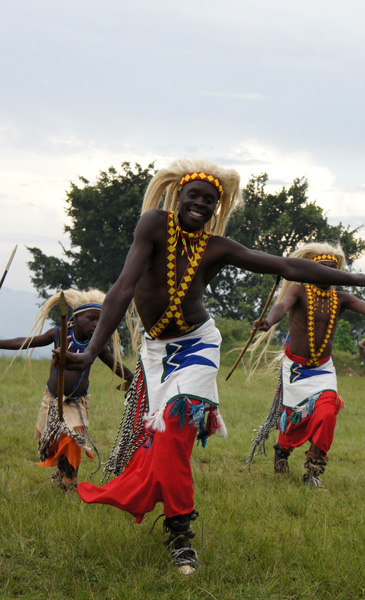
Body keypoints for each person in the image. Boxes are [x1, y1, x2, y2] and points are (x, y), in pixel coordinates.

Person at [54, 160, 365, 573]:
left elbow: (287, 267)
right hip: (155, 353)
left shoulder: (219, 247)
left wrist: (358, 279)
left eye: (210, 200)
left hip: (198, 344)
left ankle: (182, 536)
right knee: (164, 443)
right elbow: (122, 288)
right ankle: (175, 524)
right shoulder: (153, 225)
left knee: (177, 425)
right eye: (194, 195)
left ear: (217, 209)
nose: (200, 203)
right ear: (177, 197)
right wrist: (91, 352)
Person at [246, 242, 365, 488]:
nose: (327, 274)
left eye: (333, 270)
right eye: (322, 269)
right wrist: (268, 321)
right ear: (310, 271)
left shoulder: (341, 298)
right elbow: (281, 307)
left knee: (327, 412)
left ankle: (313, 471)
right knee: (295, 420)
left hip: (323, 370)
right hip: (296, 369)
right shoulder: (299, 292)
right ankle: (282, 449)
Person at [0, 289, 133, 491]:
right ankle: (61, 470)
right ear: (76, 317)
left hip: (76, 402)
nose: (96, 324)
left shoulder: (95, 344)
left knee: (71, 439)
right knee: (54, 440)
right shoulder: (60, 334)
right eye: (91, 319)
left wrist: (134, 378)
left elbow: (115, 365)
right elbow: (28, 342)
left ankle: (69, 483)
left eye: (100, 320)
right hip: (51, 399)